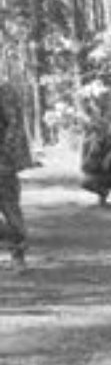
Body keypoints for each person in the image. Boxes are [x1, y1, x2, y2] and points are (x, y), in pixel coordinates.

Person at [0, 81, 31, 272]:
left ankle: (18, 255)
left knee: (9, 208)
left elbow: (15, 127)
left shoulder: (5, 92)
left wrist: (6, 156)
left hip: (3, 164)